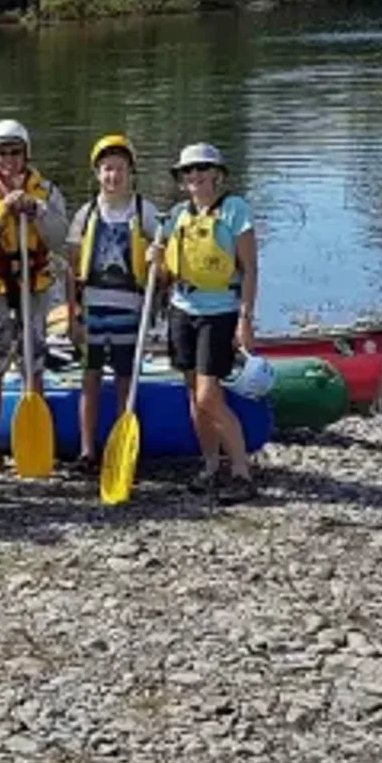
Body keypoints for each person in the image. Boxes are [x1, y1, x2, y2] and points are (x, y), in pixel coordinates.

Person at [0, 119, 68, 478]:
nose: (8, 160)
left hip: (34, 289)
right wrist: (4, 211)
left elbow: (58, 240)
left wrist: (36, 210)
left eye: (15, 152)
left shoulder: (48, 192)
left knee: (33, 366)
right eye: (2, 153)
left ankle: (33, 440)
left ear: (26, 154)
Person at [163, 143, 260, 500]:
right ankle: (209, 466)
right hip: (182, 309)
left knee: (208, 396)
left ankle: (241, 472)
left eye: (202, 169)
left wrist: (245, 320)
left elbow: (250, 269)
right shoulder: (177, 216)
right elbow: (164, 271)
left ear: (217, 174)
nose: (195, 176)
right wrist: (155, 258)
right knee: (194, 396)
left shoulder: (236, 211)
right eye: (188, 171)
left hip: (219, 313)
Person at [63, 136, 163, 476]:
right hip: (93, 307)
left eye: (119, 169)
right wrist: (73, 313)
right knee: (89, 377)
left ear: (130, 172)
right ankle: (88, 450)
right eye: (107, 169)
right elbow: (73, 266)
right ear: (97, 174)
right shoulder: (87, 213)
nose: (113, 176)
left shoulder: (144, 211)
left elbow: (163, 258)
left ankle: (122, 445)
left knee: (124, 378)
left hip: (129, 307)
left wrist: (157, 261)